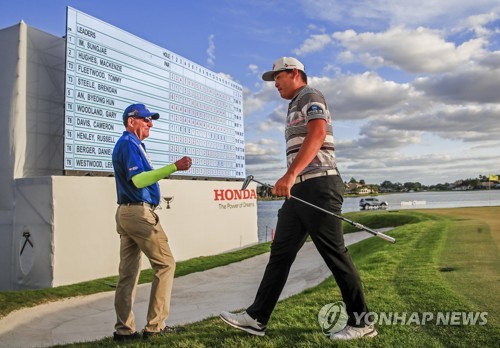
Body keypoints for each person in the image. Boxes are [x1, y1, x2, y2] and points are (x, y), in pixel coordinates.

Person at [220, 58, 377, 341]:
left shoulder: (310, 95)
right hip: (301, 191)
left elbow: (317, 135)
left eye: (278, 77)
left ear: (294, 73)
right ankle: (257, 318)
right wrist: (293, 179)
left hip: (320, 185)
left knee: (334, 254)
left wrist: (290, 175)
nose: (275, 84)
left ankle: (362, 322)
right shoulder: (293, 105)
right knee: (280, 254)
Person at [112, 103, 192, 341]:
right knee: (165, 264)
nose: (150, 123)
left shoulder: (133, 144)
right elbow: (138, 180)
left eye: (150, 119)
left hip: (126, 213)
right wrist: (174, 167)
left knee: (128, 273)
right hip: (138, 213)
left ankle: (123, 331)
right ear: (131, 121)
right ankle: (155, 327)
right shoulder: (128, 143)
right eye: (145, 119)